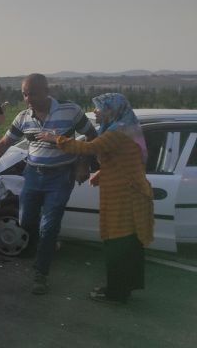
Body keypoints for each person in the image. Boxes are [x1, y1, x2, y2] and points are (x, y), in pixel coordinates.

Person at [0, 73, 98, 295]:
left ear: (46, 91)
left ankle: (41, 274)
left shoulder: (70, 111)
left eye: (32, 94)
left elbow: (92, 135)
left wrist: (83, 163)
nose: (28, 99)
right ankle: (49, 239)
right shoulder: (23, 117)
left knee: (48, 226)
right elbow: (4, 143)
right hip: (33, 175)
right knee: (26, 221)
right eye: (24, 94)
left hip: (60, 177)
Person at [37, 93, 153, 304]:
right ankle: (123, 288)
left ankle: (116, 293)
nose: (96, 112)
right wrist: (102, 173)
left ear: (112, 110)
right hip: (126, 193)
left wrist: (56, 139)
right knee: (127, 244)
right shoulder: (123, 127)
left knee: (118, 244)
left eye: (100, 108)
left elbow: (89, 148)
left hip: (124, 199)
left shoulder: (118, 132)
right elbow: (125, 160)